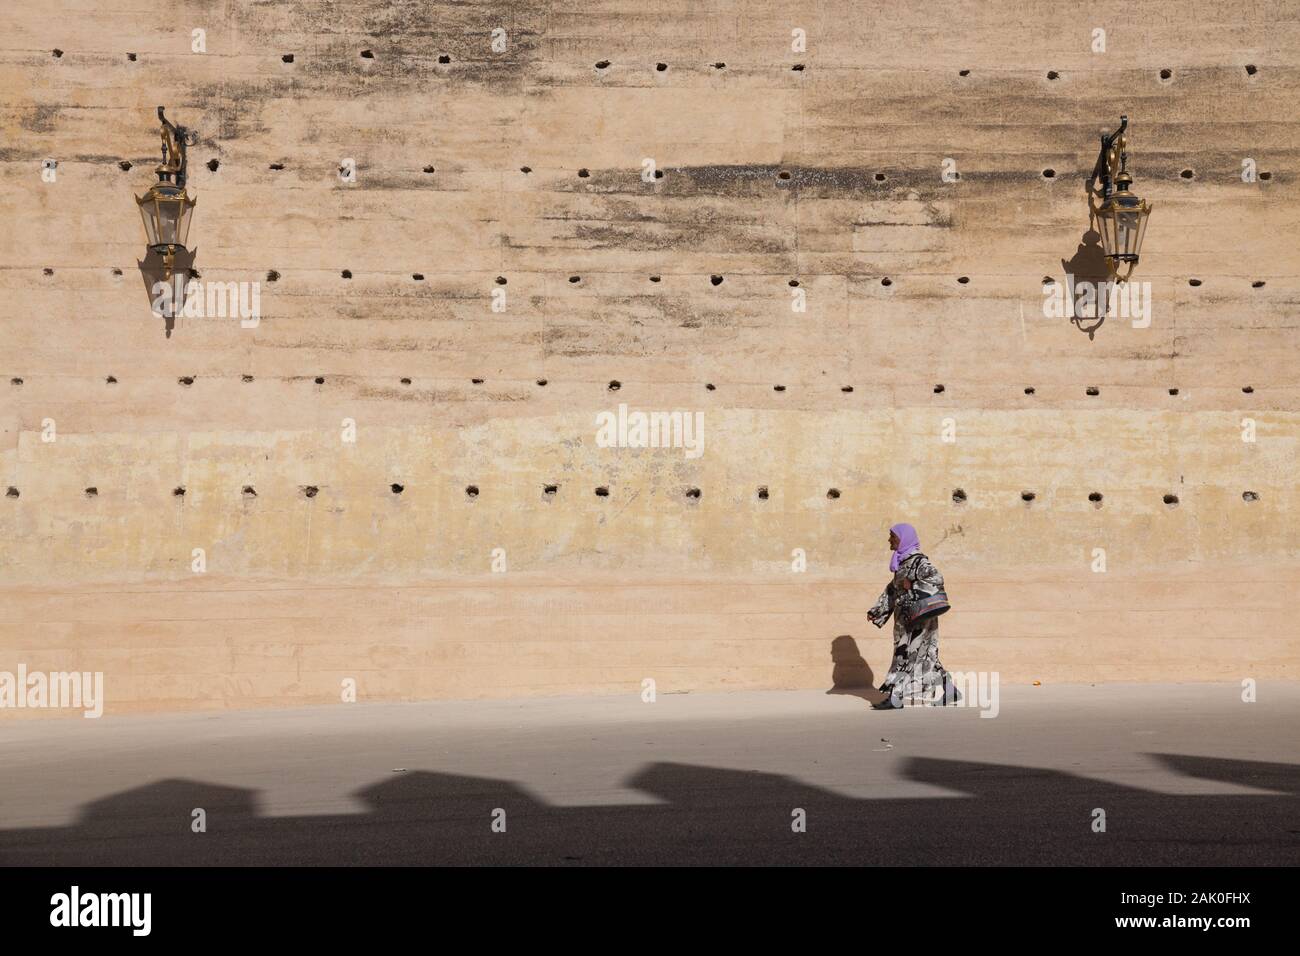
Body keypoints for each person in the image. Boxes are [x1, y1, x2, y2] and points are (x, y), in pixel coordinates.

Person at [866, 523, 958, 709]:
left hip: (920, 619)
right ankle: (950, 690)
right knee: (925, 656)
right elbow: (893, 590)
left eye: (893, 536)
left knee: (905, 655)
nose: (889, 540)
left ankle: (896, 698)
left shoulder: (919, 562)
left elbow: (936, 579)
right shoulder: (902, 562)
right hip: (905, 620)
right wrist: (877, 611)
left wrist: (914, 586)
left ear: (904, 539)